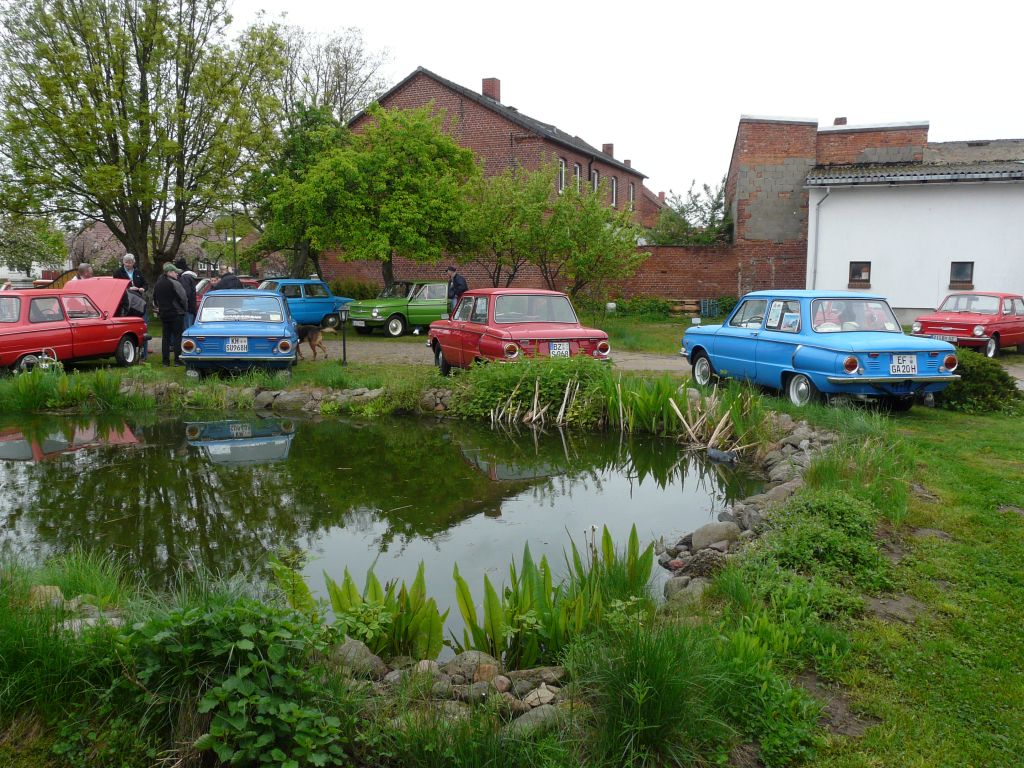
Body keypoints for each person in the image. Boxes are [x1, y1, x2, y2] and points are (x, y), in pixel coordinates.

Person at [113, 254, 150, 358]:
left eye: (130, 262)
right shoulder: (118, 272)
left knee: (144, 327)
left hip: (138, 302)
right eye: (126, 262)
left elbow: (145, 284)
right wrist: (127, 289)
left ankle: (144, 354)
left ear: (133, 262)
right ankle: (129, 353)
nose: (128, 264)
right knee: (128, 329)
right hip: (126, 304)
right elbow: (115, 286)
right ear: (123, 262)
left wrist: (142, 288)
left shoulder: (138, 272)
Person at [153, 262, 187, 366]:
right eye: (175, 272)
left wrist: (159, 308)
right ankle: (177, 360)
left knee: (166, 338)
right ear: (170, 272)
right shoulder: (175, 283)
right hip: (176, 313)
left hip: (164, 314)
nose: (177, 274)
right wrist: (184, 309)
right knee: (177, 337)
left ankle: (165, 361)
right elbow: (183, 298)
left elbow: (154, 299)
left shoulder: (158, 283)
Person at [174, 258, 198, 328]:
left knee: (187, 329)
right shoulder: (189, 277)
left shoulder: (185, 278)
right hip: (190, 307)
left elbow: (185, 294)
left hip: (187, 309)